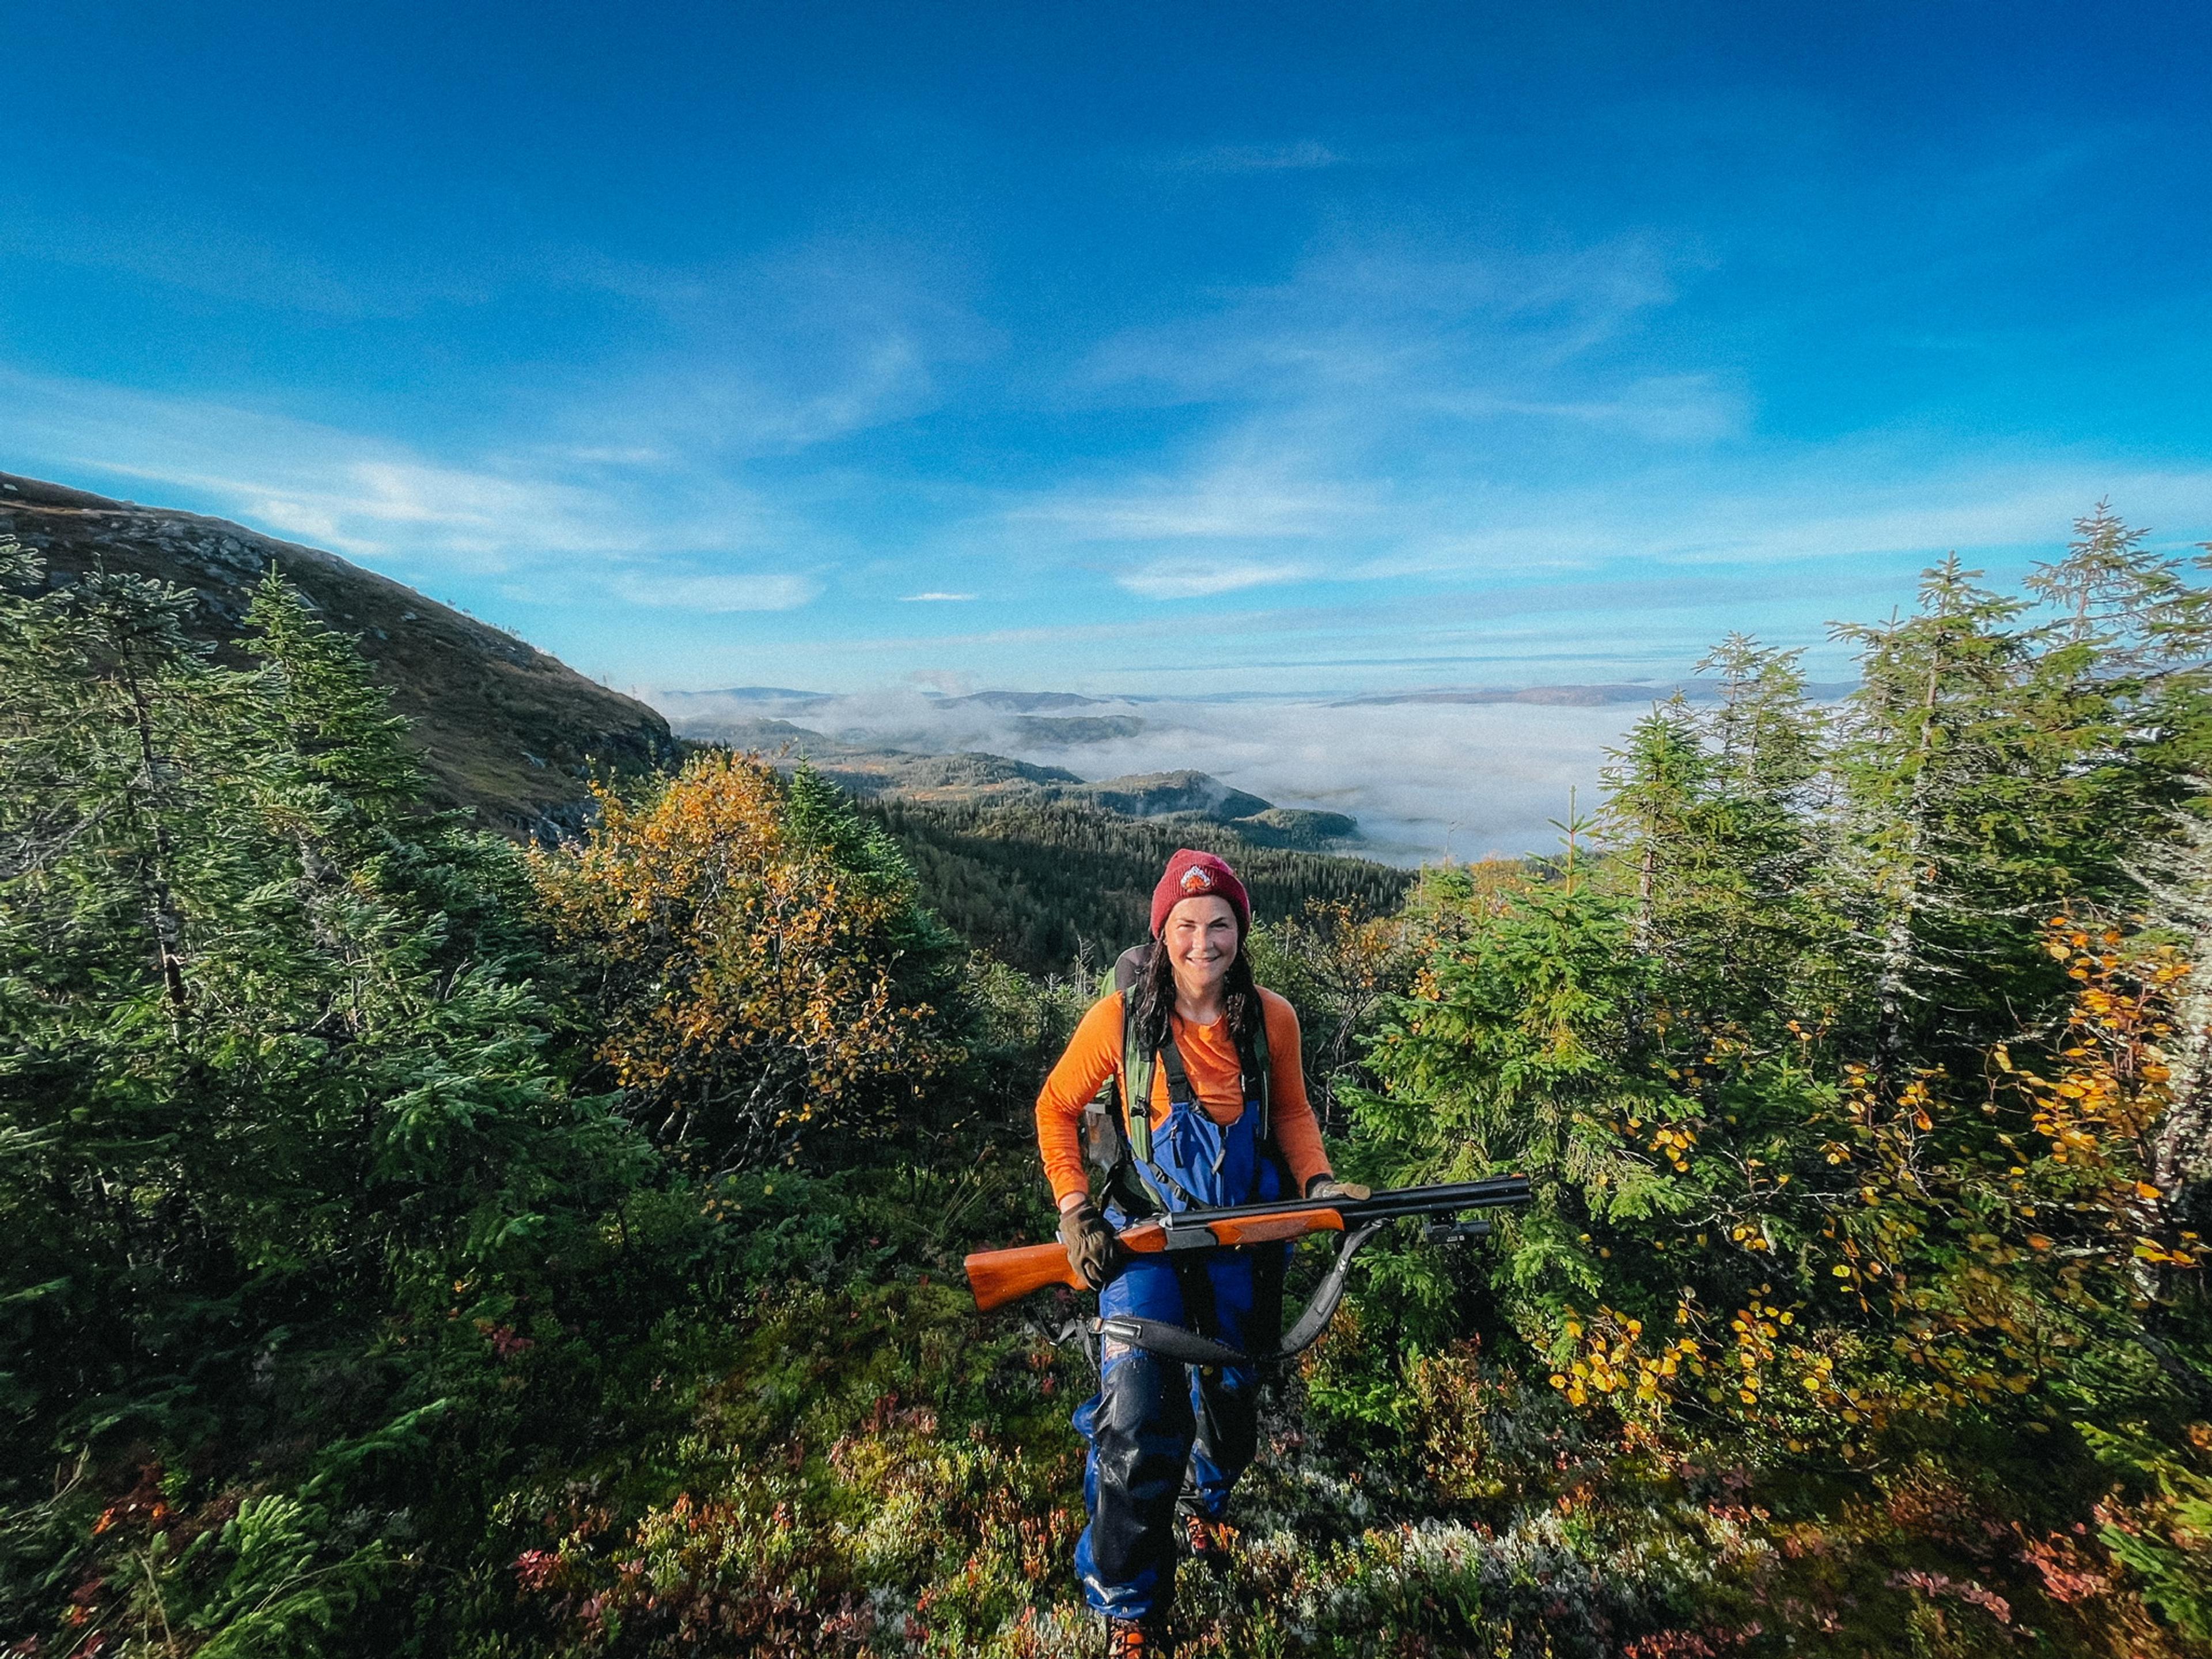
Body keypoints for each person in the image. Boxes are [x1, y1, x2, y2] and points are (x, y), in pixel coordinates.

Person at [1033, 849, 1366, 1656]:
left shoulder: (1272, 1018)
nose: (1203, 941)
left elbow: (1289, 1116)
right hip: (1146, 1244)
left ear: (1239, 934)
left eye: (1220, 924)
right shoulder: (1119, 1022)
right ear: (1161, 932)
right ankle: (1129, 1606)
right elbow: (1056, 1107)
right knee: (1139, 1422)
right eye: (1186, 925)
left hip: (1243, 1242)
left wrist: (1319, 1187)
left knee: (1230, 1411)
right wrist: (1076, 1211)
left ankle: (1200, 1508)